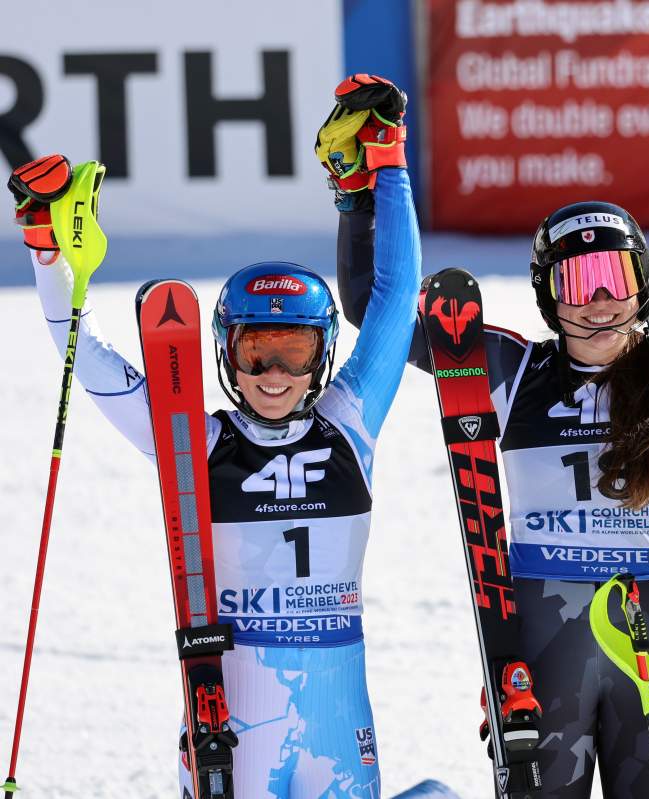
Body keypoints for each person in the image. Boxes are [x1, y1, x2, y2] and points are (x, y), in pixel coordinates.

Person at [333, 15, 649, 798]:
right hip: (544, 663)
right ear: (548, 298)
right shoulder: (509, 372)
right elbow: (370, 306)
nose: (600, 302)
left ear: (644, 284)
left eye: (615, 278)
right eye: (576, 283)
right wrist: (359, 192)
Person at [11, 75, 419, 797]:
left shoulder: (351, 423)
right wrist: (50, 257)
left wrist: (390, 163)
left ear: (322, 353)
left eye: (293, 352)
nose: (273, 373)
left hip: (338, 727)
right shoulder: (193, 443)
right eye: (254, 351)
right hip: (236, 726)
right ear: (226, 355)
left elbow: (396, 296)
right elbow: (92, 363)